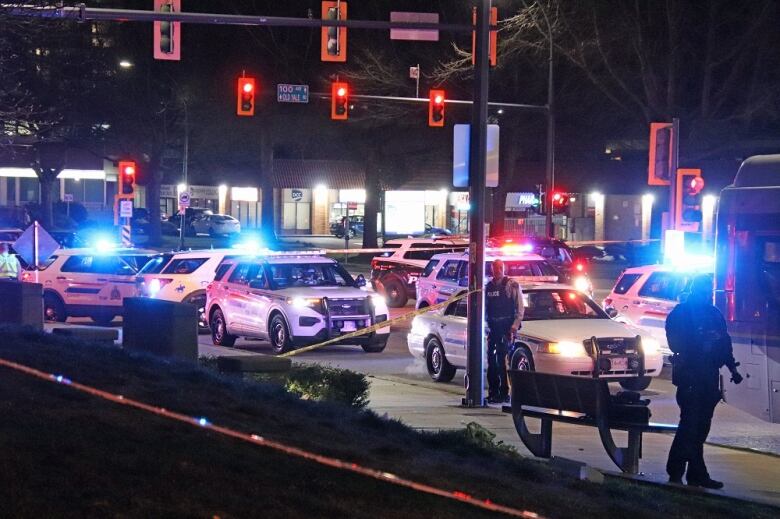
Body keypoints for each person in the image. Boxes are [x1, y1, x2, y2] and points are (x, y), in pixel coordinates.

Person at [665, 274, 742, 489]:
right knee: (690, 426)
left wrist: (732, 368)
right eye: (704, 290)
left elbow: (724, 343)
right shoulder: (681, 313)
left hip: (709, 376)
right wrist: (700, 344)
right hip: (690, 375)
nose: (707, 294)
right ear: (694, 289)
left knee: (700, 428)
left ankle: (696, 474)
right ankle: (677, 471)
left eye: (709, 290)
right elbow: (676, 343)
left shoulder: (713, 313)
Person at [484, 259, 524, 404]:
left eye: (500, 267)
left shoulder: (511, 285)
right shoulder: (488, 287)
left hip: (506, 328)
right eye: (495, 267)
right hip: (493, 328)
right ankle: (493, 391)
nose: (498, 270)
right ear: (492, 269)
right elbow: (485, 309)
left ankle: (504, 392)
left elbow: (520, 308)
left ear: (504, 268)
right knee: (491, 360)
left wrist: (514, 326)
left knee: (502, 360)